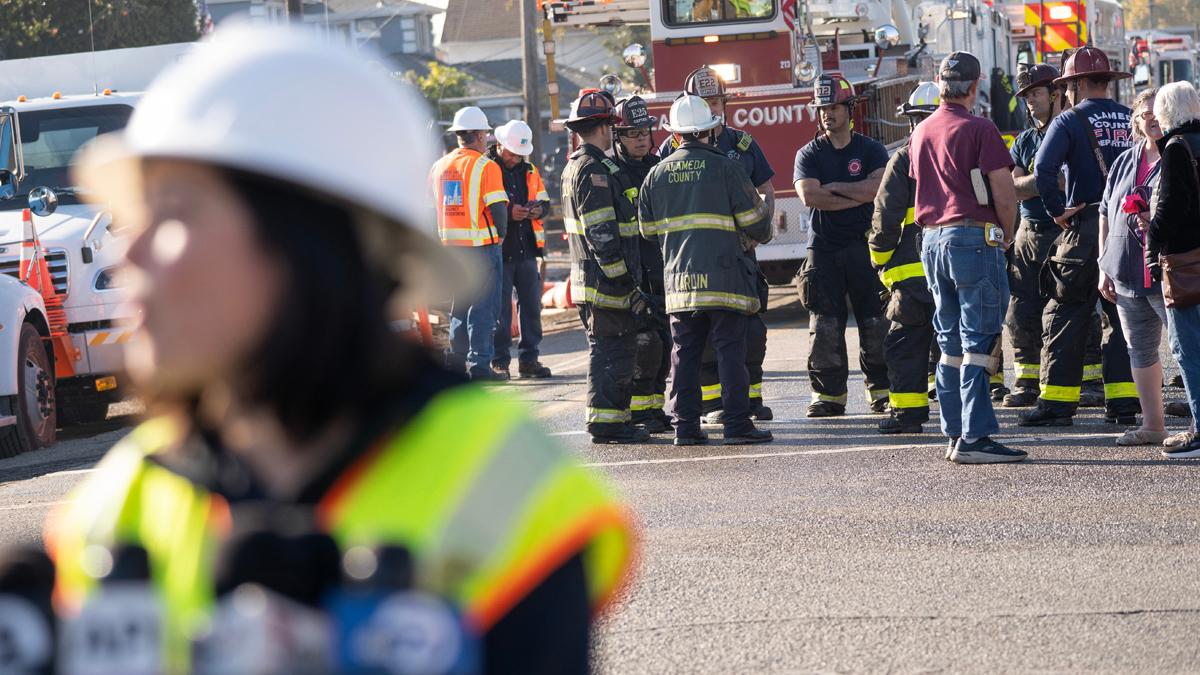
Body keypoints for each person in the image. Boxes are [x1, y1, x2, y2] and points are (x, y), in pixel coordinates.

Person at [45, 24, 635, 673]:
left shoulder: (508, 488)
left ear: (306, 243)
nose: (126, 252)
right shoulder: (115, 504)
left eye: (174, 213)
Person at [909, 51, 1027, 464]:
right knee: (979, 339)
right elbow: (1004, 192)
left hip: (932, 240)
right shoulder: (981, 128)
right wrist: (1006, 236)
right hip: (973, 238)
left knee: (949, 342)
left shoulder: (921, 132)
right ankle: (975, 437)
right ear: (975, 86)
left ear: (940, 83)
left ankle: (955, 433)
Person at [638, 94, 773, 446]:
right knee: (731, 351)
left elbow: (647, 232)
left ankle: (685, 429)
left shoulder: (655, 174)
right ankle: (737, 425)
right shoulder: (727, 168)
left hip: (680, 282)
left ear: (677, 134)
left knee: (684, 354)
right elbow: (758, 225)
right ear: (711, 131)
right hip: (726, 278)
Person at [1023, 46, 1139, 427]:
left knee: (1066, 311)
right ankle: (1124, 404)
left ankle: (1056, 404)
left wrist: (1057, 210)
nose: (1065, 94)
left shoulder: (1069, 119)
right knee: (1123, 316)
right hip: (1127, 231)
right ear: (1108, 81)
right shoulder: (1131, 118)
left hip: (1084, 226)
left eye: (1067, 86)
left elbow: (1043, 170)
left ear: (1077, 83)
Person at [794, 73, 891, 417]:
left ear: (849, 110)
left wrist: (833, 187)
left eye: (833, 107)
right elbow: (809, 195)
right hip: (823, 250)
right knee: (824, 326)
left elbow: (876, 190)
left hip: (866, 247)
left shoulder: (871, 149)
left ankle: (881, 391)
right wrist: (856, 190)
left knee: (876, 321)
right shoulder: (808, 153)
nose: (827, 114)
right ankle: (828, 397)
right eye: (822, 108)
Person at [562, 90, 650, 444]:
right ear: (605, 127)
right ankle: (607, 423)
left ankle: (616, 420)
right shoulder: (593, 170)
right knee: (611, 349)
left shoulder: (579, 165)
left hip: (597, 280)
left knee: (618, 347)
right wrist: (626, 284)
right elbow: (602, 234)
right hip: (605, 283)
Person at [1099, 89, 1172, 446]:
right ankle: (1153, 426)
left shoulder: (1181, 155)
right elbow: (1104, 213)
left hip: (1168, 272)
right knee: (1139, 351)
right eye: (1145, 114)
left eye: (1157, 112)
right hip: (1126, 273)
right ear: (1136, 121)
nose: (1152, 119)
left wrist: (1152, 219)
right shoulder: (1124, 161)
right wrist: (1103, 267)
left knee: (1187, 348)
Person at [869, 82, 940, 434]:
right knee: (956, 342)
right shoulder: (966, 151)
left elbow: (885, 218)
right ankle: (965, 416)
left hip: (911, 275)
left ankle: (908, 415)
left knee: (906, 344)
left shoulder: (903, 158)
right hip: (957, 267)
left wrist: (879, 260)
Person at [431, 105, 509, 381]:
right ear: (477, 134)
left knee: (459, 307)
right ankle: (480, 367)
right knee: (483, 309)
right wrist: (501, 235)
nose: (487, 139)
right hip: (481, 247)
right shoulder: (485, 166)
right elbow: (498, 207)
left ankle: (454, 364)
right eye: (485, 134)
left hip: (450, 247)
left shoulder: (439, 166)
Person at [1005, 63, 1064, 408]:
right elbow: (1013, 188)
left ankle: (1083, 381)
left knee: (1066, 307)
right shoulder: (1024, 141)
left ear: (1055, 94)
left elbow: (1067, 182)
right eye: (1026, 96)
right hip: (1028, 233)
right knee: (1022, 308)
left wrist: (1032, 184)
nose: (1030, 102)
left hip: (1063, 231)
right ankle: (1026, 381)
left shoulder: (1071, 131)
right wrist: (1043, 180)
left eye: (1036, 94)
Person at [612, 96, 672, 434]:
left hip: (661, 268)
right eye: (631, 132)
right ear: (617, 136)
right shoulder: (613, 173)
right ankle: (638, 412)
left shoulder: (657, 167)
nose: (640, 138)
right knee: (645, 345)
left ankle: (654, 407)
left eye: (644, 131)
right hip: (633, 273)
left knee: (663, 345)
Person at [1147, 81, 1200, 458]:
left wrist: (1151, 244)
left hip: (1186, 265)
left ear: (1165, 115)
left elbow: (1168, 210)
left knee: (1189, 350)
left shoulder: (1177, 150)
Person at [488, 120, 553, 380]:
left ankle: (529, 359)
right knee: (501, 311)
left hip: (526, 250)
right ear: (500, 145)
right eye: (511, 152)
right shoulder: (487, 169)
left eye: (519, 153)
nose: (515, 158)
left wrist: (538, 209)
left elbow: (545, 201)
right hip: (499, 251)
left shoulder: (530, 170)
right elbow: (480, 206)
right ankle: (499, 362)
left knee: (531, 308)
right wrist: (508, 213)